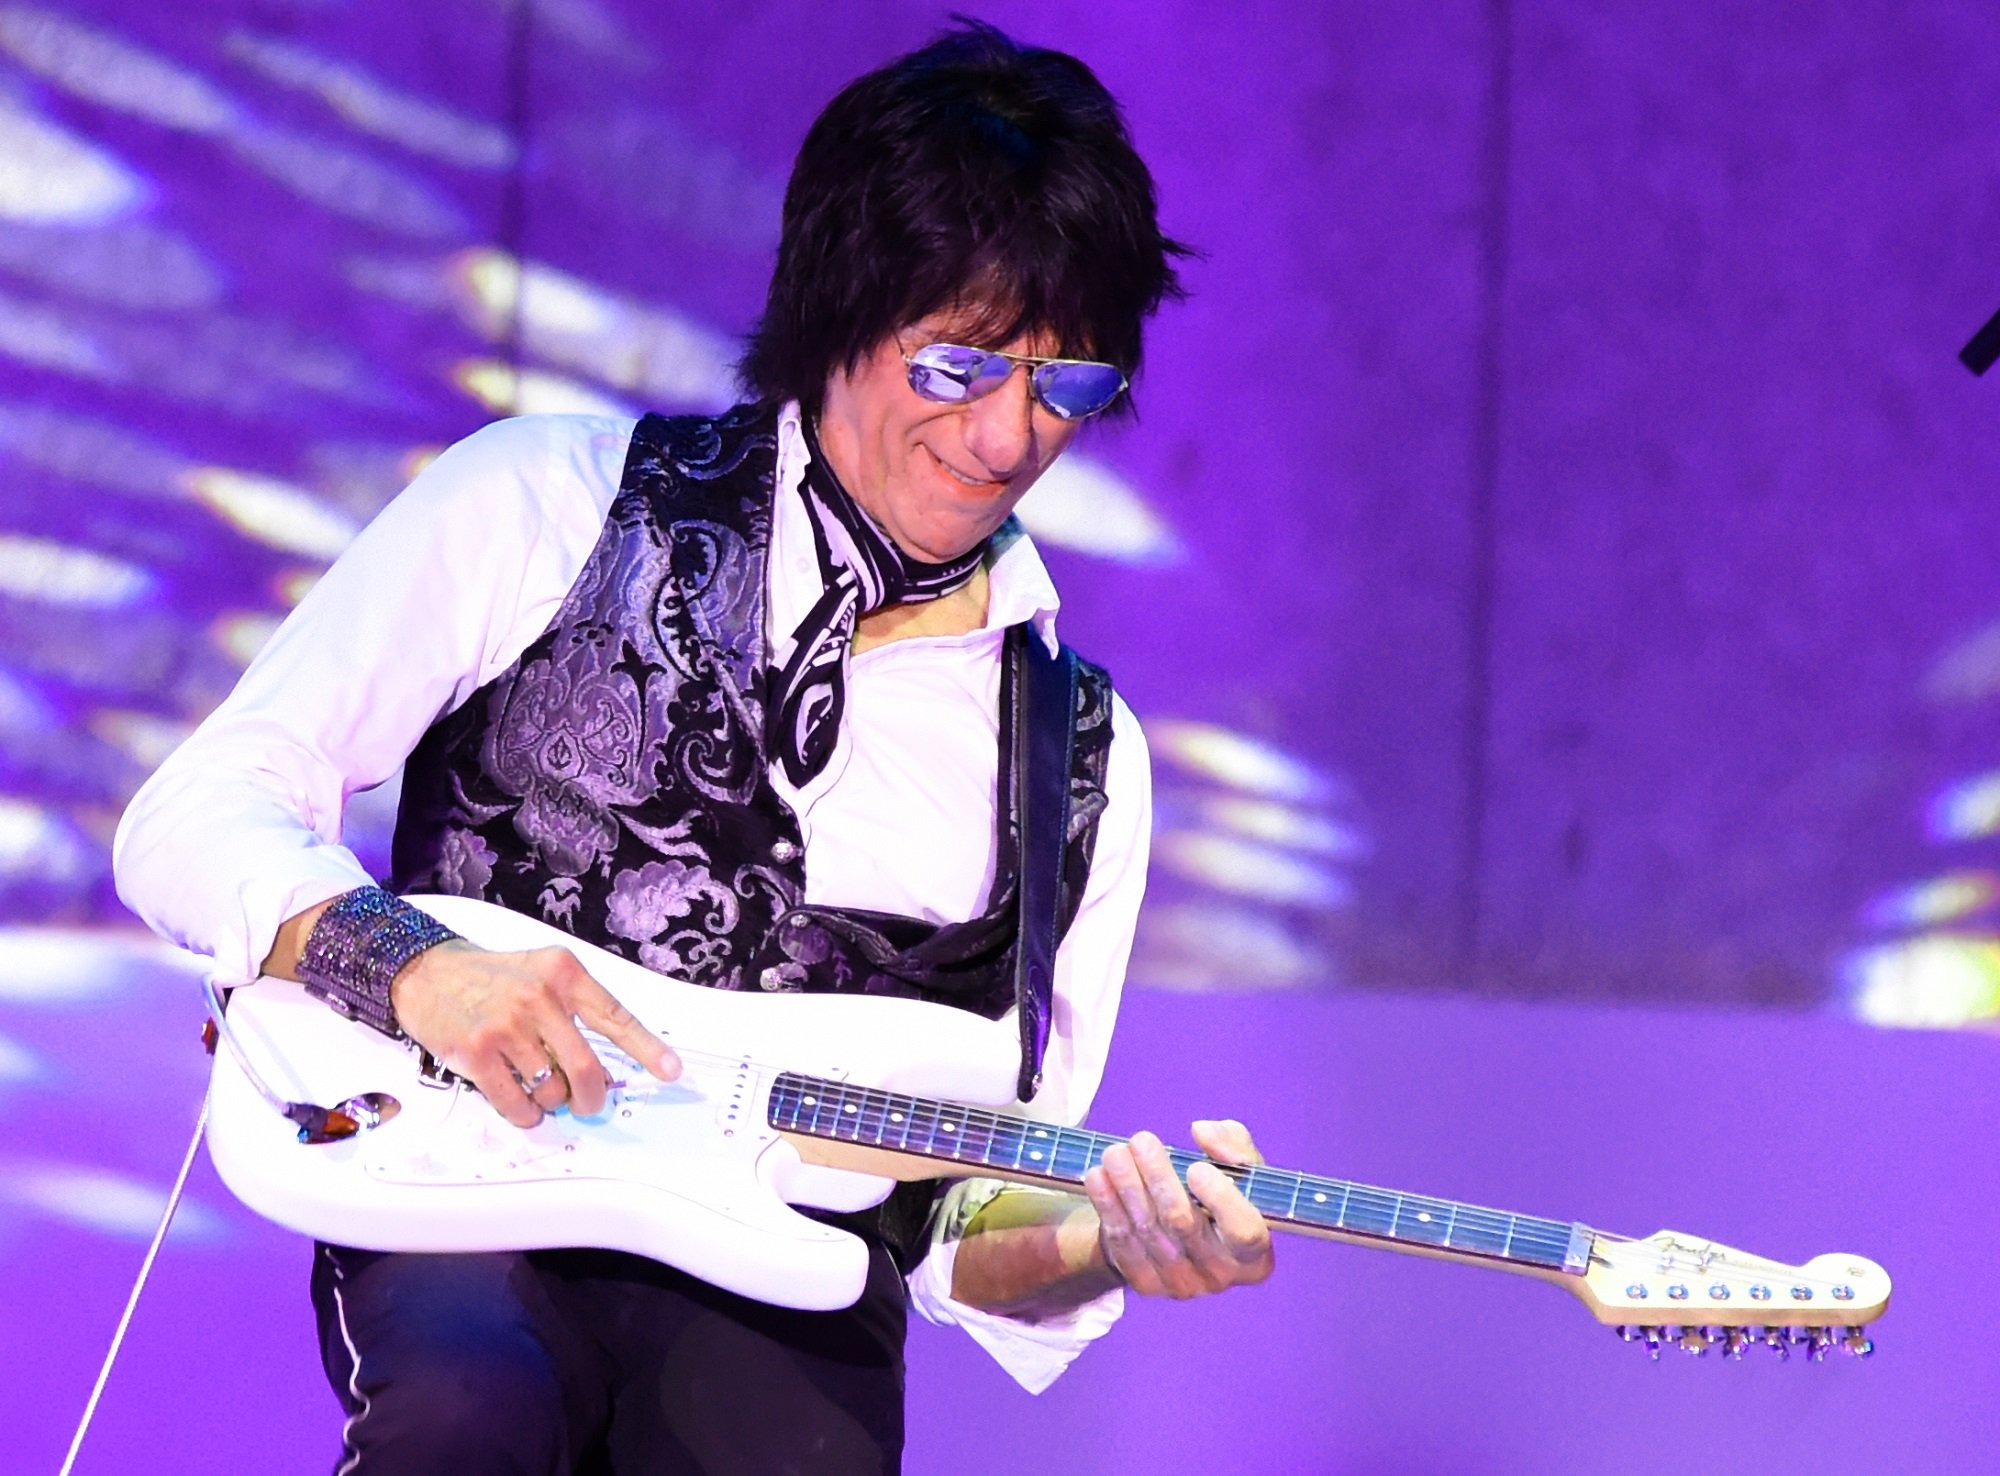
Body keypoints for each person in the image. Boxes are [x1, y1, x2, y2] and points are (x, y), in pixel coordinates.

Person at [115, 20, 1273, 1476]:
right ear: (836, 314)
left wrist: (1107, 1243)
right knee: (472, 1414)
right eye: (959, 367)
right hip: (467, 1187)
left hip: (783, 1281)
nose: (1005, 439)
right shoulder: (551, 502)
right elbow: (196, 813)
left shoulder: (1084, 762)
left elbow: (958, 1218)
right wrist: (411, 965)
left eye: (1067, 386)